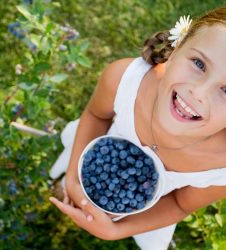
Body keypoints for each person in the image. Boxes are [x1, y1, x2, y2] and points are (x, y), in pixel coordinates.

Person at [49, 6, 226, 250]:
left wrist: (116, 230)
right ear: (176, 50)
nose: (199, 93)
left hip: (147, 211)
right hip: (96, 157)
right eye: (198, 63)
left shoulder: (221, 166)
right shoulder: (124, 80)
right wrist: (73, 178)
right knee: (74, 174)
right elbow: (95, 116)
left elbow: (179, 204)